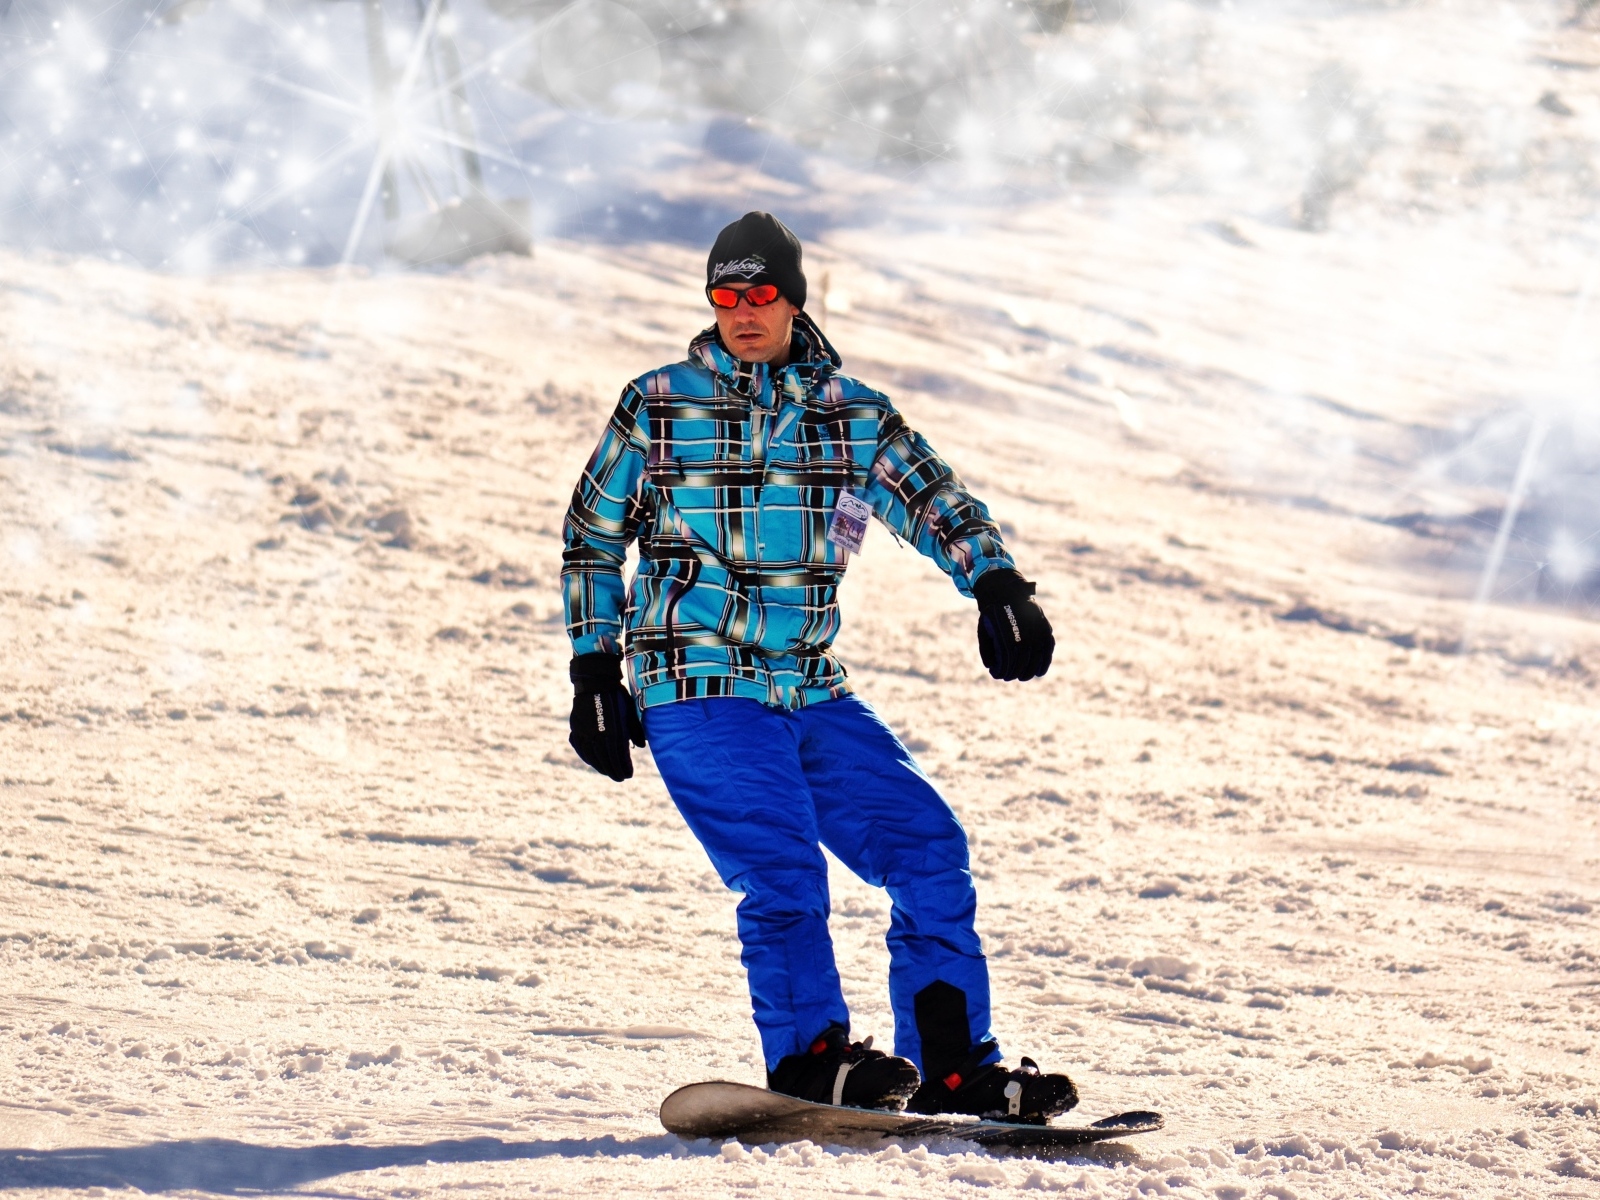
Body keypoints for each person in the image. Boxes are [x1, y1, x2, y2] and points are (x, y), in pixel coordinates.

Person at [561, 211, 1073, 1122]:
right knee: (785, 871)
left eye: (761, 293)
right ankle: (808, 1059)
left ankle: (950, 1062)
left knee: (927, 850)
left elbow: (933, 496)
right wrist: (595, 673)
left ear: (794, 300)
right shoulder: (658, 402)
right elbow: (595, 538)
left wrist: (996, 582)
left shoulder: (853, 414)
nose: (743, 310)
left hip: (809, 685)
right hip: (699, 682)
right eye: (727, 293)